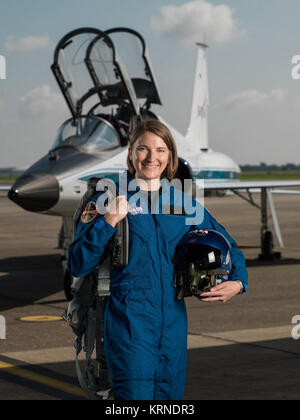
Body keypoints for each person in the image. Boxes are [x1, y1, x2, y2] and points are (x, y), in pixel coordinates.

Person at [67, 119, 248, 400]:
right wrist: (108, 221)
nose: (152, 157)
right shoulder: (106, 200)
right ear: (131, 154)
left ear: (170, 156)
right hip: (129, 326)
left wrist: (239, 282)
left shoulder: (184, 204)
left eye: (161, 150)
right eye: (143, 149)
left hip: (173, 327)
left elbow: (228, 245)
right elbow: (78, 263)